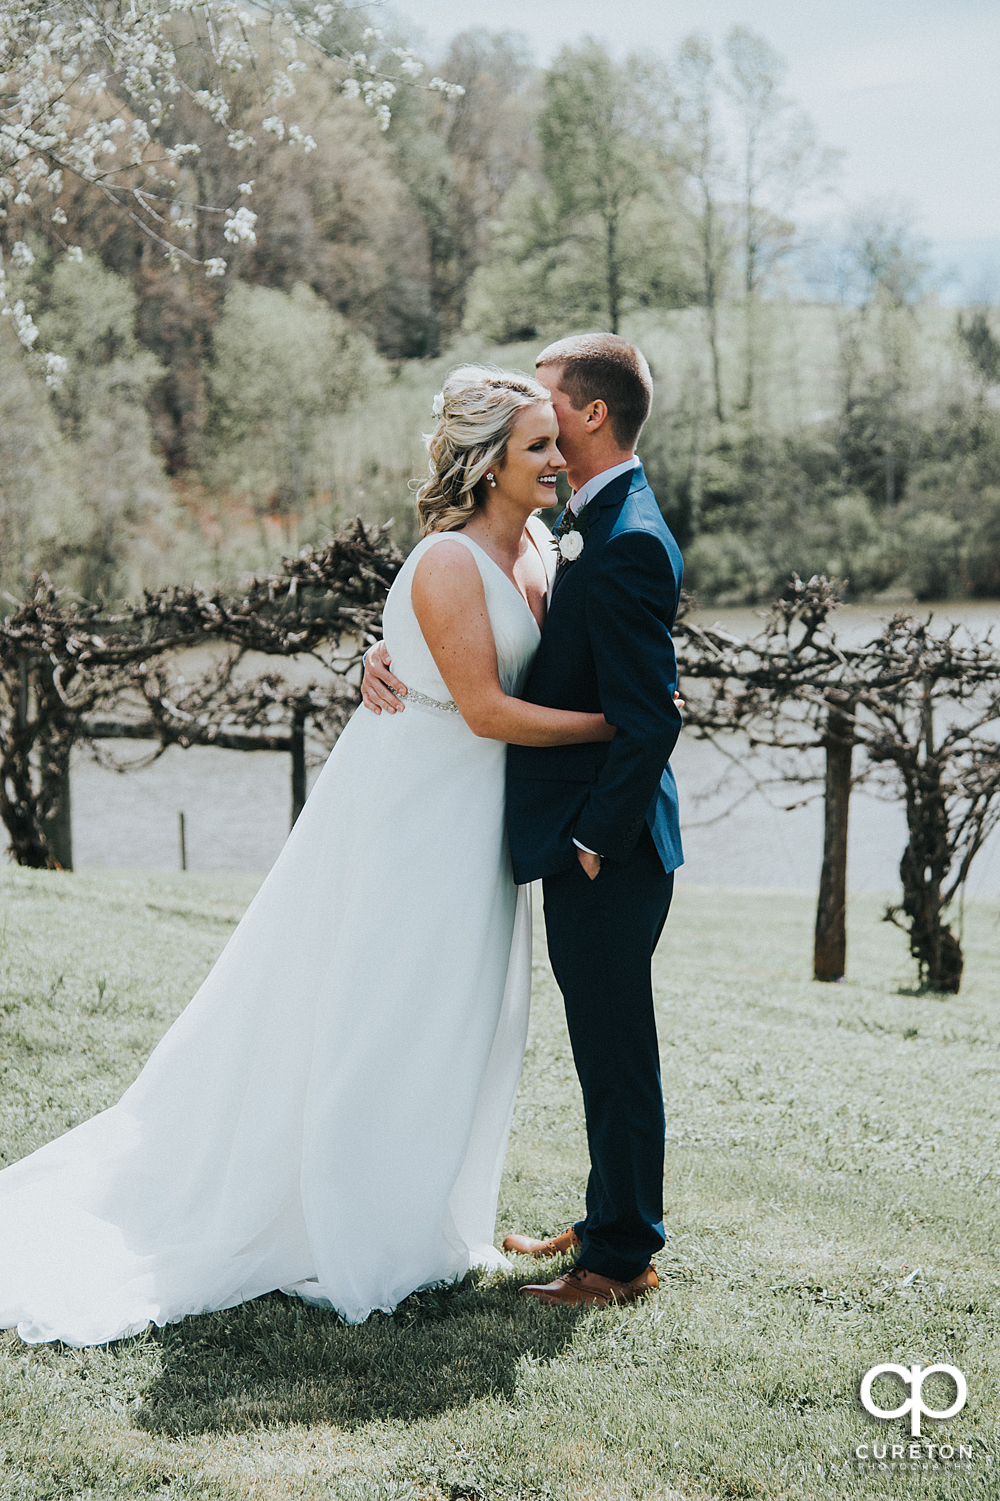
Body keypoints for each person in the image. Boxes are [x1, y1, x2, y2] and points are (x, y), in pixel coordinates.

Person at [0, 366, 615, 1347]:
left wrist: (391, 656)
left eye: (556, 442)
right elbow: (488, 706)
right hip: (413, 815)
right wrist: (616, 727)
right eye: (537, 445)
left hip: (476, 817)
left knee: (464, 1014)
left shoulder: (541, 542)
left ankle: (429, 1218)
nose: (556, 459)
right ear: (486, 459)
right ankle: (353, 1224)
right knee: (385, 1009)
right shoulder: (449, 562)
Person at [362, 333, 684, 1310]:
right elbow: (478, 627)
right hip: (574, 833)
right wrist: (385, 655)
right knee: (598, 1041)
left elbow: (648, 718)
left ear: (589, 415)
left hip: (609, 847)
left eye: (546, 407)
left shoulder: (624, 535)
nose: (534, 423)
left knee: (616, 1047)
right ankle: (604, 1218)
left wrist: (593, 838)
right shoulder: (576, 520)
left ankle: (620, 1257)